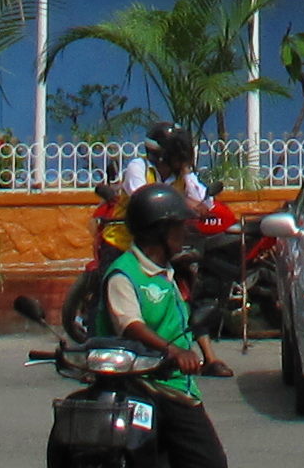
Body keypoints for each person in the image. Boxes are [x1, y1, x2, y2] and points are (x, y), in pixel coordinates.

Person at [103, 186, 232, 468]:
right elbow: (129, 324)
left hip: (175, 385)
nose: (184, 233)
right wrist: (173, 351)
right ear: (159, 231)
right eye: (178, 227)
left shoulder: (168, 273)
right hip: (145, 385)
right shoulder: (124, 274)